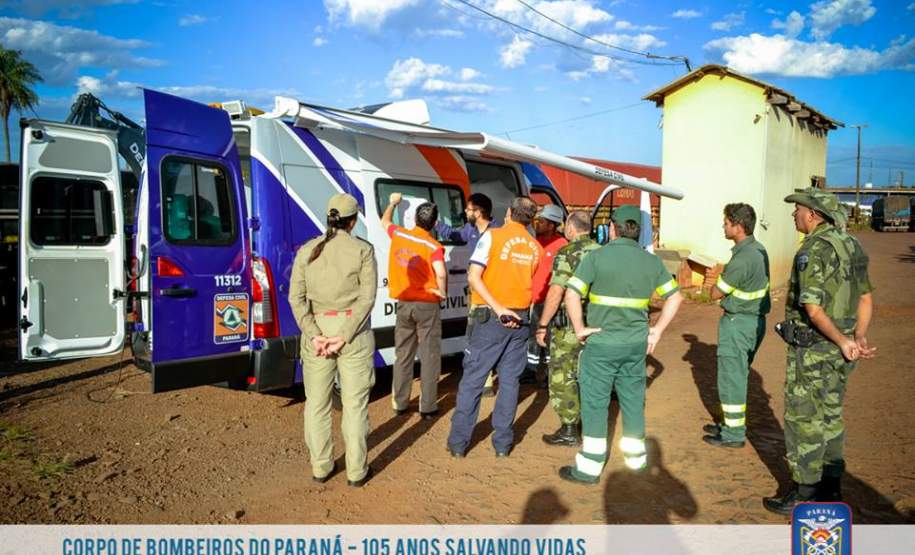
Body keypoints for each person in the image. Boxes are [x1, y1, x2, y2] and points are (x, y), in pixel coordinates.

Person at [763, 188, 875, 515]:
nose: (793, 215)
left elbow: (811, 308)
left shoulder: (813, 250)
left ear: (813, 215)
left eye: (797, 209)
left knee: (803, 419)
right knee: (831, 415)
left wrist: (841, 340)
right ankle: (831, 486)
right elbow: (866, 298)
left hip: (814, 351)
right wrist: (857, 337)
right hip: (841, 353)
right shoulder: (853, 245)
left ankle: (804, 491)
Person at [558, 205, 682, 484]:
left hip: (601, 344)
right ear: (638, 231)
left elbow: (571, 294)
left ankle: (589, 467)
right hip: (635, 346)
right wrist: (656, 331)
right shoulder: (651, 262)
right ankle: (636, 462)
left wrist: (580, 329)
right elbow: (675, 297)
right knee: (633, 402)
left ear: (612, 228)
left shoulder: (597, 257)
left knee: (595, 404)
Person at [288, 193, 377, 488]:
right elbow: (367, 299)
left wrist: (315, 335)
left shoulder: (307, 250)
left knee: (316, 404)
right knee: (354, 405)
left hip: (316, 333)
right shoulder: (363, 250)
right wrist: (344, 335)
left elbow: (295, 299)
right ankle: (356, 472)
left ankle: (321, 467)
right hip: (353, 333)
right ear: (353, 221)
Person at [447, 196, 543, 458]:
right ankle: (502, 444)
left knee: (473, 380)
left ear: (509, 213)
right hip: (520, 319)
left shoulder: (492, 236)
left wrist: (498, 308)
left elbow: (473, 277)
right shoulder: (536, 248)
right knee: (510, 382)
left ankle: (458, 444)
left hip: (491, 317)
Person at [702, 203, 771, 448]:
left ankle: (733, 433)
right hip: (752, 322)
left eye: (726, 222)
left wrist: (716, 279)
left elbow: (714, 293)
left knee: (732, 380)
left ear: (738, 226)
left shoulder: (742, 259)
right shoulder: (757, 249)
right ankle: (730, 425)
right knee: (737, 375)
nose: (723, 226)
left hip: (738, 323)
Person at [535, 211, 600, 447]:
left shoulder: (567, 252)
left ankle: (570, 429)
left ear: (571, 229)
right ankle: (593, 424)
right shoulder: (603, 252)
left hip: (570, 326)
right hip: (597, 324)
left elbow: (556, 291)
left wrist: (543, 324)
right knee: (592, 375)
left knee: (562, 375)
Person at [381, 193, 447, 420]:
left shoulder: (399, 234)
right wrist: (442, 291)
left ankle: (399, 403)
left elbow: (385, 222)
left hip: (404, 304)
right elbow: (440, 272)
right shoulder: (433, 246)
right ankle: (427, 407)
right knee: (429, 356)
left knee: (403, 355)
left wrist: (392, 203)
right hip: (427, 305)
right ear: (435, 223)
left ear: (415, 220)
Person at [436, 192, 501, 397]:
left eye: (469, 208)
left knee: (492, 335)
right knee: (476, 334)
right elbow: (454, 235)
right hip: (476, 292)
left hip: (495, 292)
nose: (465, 211)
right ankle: (486, 380)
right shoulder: (470, 229)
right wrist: (436, 223)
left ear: (479, 212)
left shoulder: (498, 232)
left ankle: (489, 378)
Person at [523, 204, 568, 384]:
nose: (537, 224)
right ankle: (531, 370)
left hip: (549, 300)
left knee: (548, 336)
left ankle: (548, 374)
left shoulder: (562, 245)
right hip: (531, 299)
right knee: (532, 335)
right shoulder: (533, 242)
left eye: (541, 221)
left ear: (552, 225)